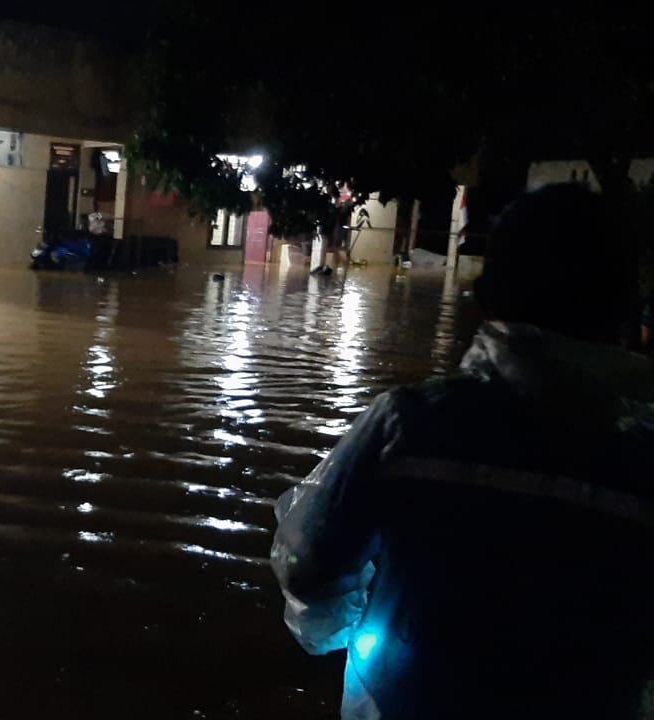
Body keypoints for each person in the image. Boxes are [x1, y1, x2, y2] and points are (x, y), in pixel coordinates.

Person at [271, 183, 654, 719]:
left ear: (484, 296)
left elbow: (312, 565)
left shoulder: (408, 427)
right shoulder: (641, 457)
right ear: (625, 311)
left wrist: (344, 627)